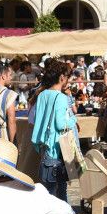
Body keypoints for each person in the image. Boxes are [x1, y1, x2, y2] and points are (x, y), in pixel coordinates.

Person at [30, 62, 77, 201]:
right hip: (57, 148)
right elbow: (61, 124)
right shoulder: (61, 97)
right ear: (62, 77)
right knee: (60, 190)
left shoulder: (42, 94)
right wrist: (74, 120)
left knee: (48, 189)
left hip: (43, 147)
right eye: (67, 77)